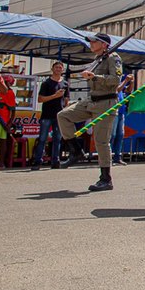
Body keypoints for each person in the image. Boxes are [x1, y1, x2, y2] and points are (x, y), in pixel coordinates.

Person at [58, 33, 121, 191]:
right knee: (64, 115)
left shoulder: (113, 58)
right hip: (91, 100)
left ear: (104, 44)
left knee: (101, 141)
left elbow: (115, 80)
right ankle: (76, 151)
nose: (91, 44)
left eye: (95, 42)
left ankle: (106, 178)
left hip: (106, 102)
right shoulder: (98, 59)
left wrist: (94, 77)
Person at [33, 61, 68, 170]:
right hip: (47, 114)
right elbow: (40, 99)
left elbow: (66, 99)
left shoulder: (65, 84)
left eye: (60, 68)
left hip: (59, 115)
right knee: (42, 139)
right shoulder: (46, 83)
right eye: (56, 67)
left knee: (57, 138)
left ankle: (55, 161)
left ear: (62, 70)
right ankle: (38, 161)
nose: (58, 69)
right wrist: (55, 96)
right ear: (52, 69)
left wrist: (66, 107)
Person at [110, 74, 133, 166]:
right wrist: (126, 81)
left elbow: (128, 90)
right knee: (112, 135)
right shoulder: (112, 81)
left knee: (120, 135)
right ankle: (109, 157)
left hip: (121, 112)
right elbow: (117, 90)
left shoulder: (121, 81)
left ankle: (117, 157)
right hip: (113, 112)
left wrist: (132, 82)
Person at [0, 74, 16, 168]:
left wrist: (9, 123)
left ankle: (1, 162)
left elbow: (13, 110)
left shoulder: (10, 93)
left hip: (4, 119)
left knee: (3, 141)